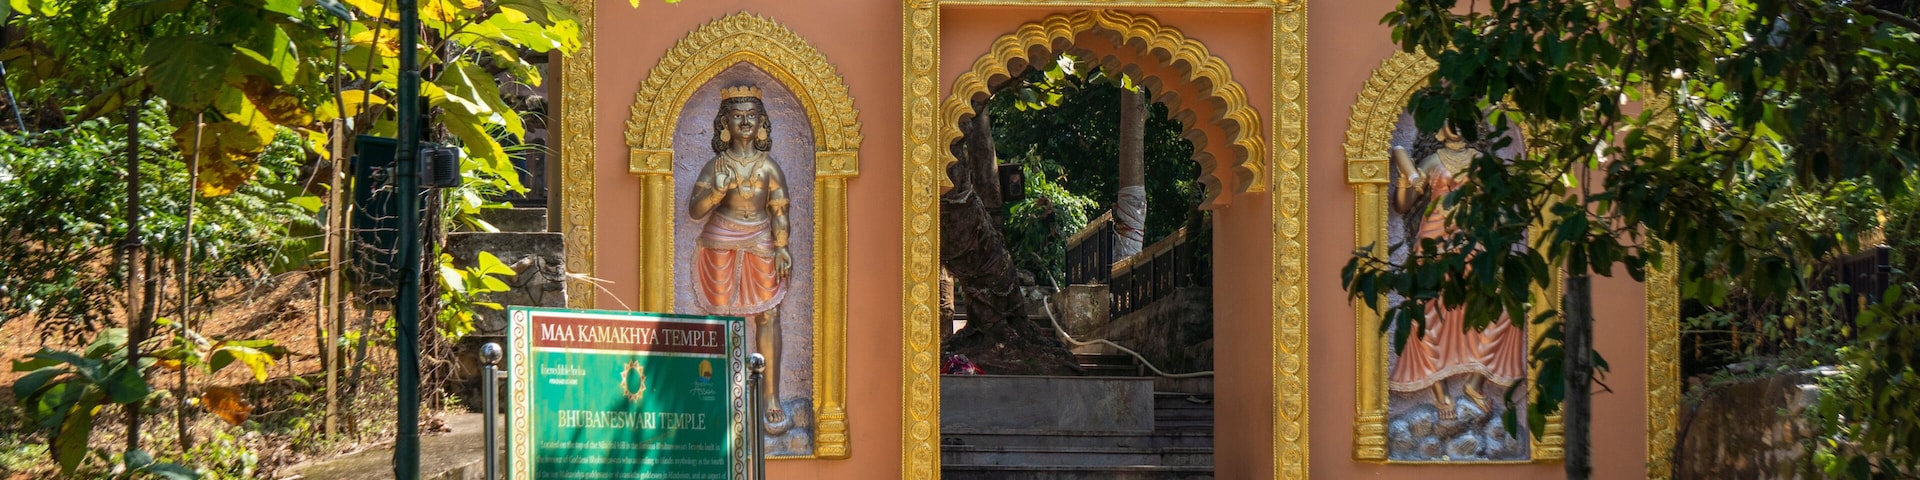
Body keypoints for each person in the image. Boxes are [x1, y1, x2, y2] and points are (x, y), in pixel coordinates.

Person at [1386, 124, 1527, 419]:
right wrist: (1403, 182)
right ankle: (1439, 393)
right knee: (1423, 315)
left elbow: (1497, 202)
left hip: (1474, 241)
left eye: (1463, 117)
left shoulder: (1480, 161)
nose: (1457, 124)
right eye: (1450, 118)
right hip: (1434, 241)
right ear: (1439, 126)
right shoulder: (1432, 161)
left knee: (1501, 311)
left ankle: (1476, 383)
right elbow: (1403, 206)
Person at [689, 84, 795, 435]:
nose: (745, 121)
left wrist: (781, 246)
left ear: (762, 122)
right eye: (737, 116)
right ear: (725, 124)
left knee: (769, 314)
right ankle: (722, 394)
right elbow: (695, 210)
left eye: (752, 116)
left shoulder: (769, 167)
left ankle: (771, 398)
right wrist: (717, 190)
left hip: (762, 240)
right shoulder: (716, 165)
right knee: (722, 318)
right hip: (721, 240)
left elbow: (779, 209)